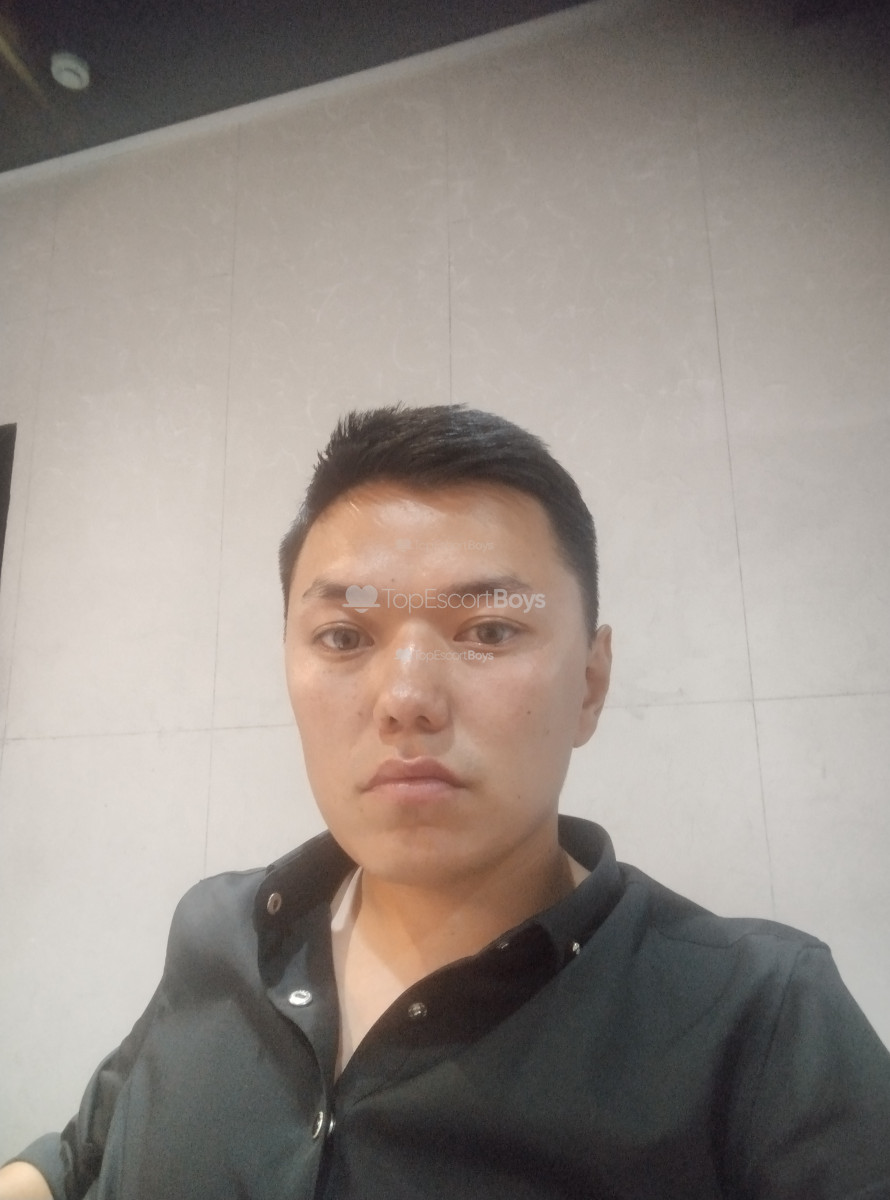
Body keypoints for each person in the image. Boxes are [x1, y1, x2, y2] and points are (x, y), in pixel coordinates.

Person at [3, 404, 889, 1200]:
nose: (406, 699)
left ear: (590, 682)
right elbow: (82, 1154)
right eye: (343, 636)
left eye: (488, 630)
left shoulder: (762, 1022)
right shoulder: (220, 930)